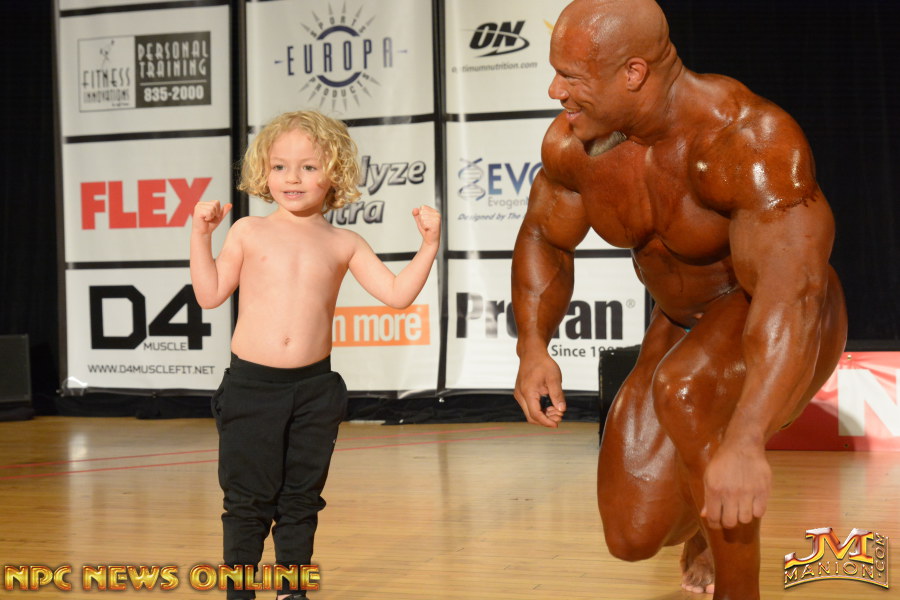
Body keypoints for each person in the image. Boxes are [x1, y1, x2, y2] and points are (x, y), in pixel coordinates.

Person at [511, 1, 847, 598]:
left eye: (571, 77)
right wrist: (534, 347)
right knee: (631, 534)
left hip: (785, 314)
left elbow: (789, 295)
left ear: (633, 73)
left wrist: (747, 439)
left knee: (686, 388)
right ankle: (702, 515)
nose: (555, 90)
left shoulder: (747, 139)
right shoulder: (574, 145)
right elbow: (545, 236)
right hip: (680, 319)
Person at [191, 110, 440, 600]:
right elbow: (210, 293)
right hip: (251, 388)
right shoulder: (247, 230)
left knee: (300, 500)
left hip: (314, 391)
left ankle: (292, 591)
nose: (293, 178)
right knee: (247, 502)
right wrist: (201, 236)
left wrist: (429, 245)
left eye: (308, 167)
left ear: (335, 173)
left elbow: (396, 295)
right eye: (280, 166)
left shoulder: (345, 242)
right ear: (264, 172)